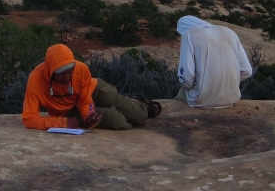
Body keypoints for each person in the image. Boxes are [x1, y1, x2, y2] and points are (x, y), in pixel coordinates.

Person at [22, 44, 161, 130]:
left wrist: (88, 114)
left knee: (139, 116)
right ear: (50, 71)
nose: (68, 77)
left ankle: (140, 107)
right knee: (117, 120)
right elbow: (29, 118)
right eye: (62, 74)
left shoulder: (81, 69)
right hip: (67, 111)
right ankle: (133, 104)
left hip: (92, 89)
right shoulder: (36, 79)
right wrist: (62, 122)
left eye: (70, 71)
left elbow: (84, 100)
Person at [176, 16, 253, 108]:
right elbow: (247, 71)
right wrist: (228, 82)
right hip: (231, 98)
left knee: (179, 97)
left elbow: (187, 77)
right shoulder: (230, 32)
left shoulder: (189, 34)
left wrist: (197, 84)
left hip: (200, 99)